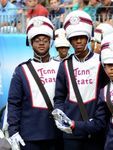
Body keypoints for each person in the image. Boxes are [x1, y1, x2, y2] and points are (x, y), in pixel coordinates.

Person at [52, 10, 109, 150]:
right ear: (69, 40)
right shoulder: (64, 64)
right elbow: (59, 97)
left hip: (96, 131)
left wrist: (99, 118)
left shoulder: (101, 62)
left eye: (82, 37)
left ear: (88, 37)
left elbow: (107, 94)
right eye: (74, 38)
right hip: (72, 133)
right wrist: (60, 117)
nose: (78, 41)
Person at [7, 16, 63, 150]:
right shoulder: (21, 70)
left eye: (45, 40)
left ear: (51, 42)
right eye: (37, 40)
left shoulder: (61, 66)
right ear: (30, 43)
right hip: (29, 135)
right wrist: (13, 130)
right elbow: (14, 103)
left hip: (57, 133)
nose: (41, 43)